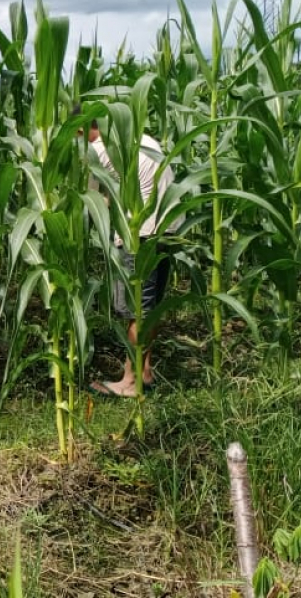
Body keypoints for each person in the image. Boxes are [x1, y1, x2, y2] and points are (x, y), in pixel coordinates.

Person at [78, 107, 182, 398]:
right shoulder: (144, 140)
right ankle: (145, 371)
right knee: (150, 308)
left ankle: (130, 382)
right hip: (169, 228)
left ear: (81, 130)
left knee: (137, 312)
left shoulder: (98, 152)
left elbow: (92, 200)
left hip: (140, 233)